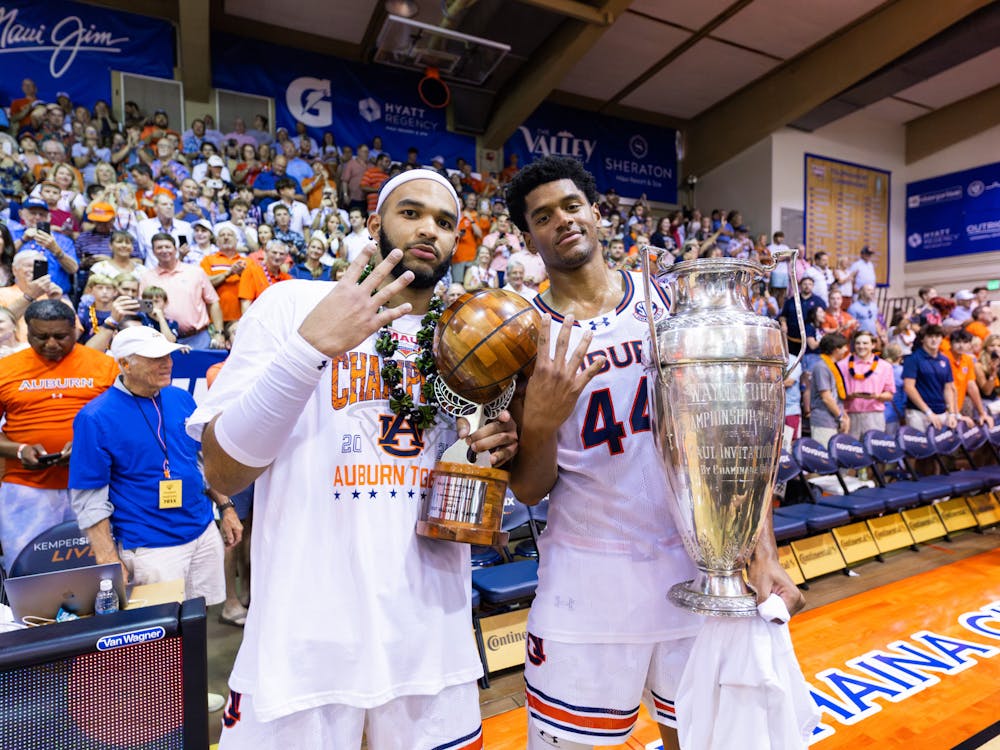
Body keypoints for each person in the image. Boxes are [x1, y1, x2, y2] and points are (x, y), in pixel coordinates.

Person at [188, 169, 517, 748]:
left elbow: (467, 486)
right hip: (306, 647)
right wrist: (309, 349)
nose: (429, 230)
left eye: (445, 222)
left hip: (430, 641)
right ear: (372, 224)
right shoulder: (294, 302)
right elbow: (222, 469)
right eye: (410, 213)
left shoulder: (467, 333)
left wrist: (496, 452)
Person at [503, 156, 802, 750]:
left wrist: (761, 552)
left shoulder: (673, 301)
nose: (561, 220)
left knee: (698, 739)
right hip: (586, 580)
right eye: (542, 216)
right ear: (528, 236)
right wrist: (538, 422)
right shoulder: (522, 332)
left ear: (595, 211)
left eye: (570, 205)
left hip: (691, 566)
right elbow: (529, 489)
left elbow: (735, 438)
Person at [69, 325, 241, 601]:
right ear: (124, 364)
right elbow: (89, 496)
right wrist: (108, 557)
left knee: (199, 620)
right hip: (151, 546)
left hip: (202, 530)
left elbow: (201, 458)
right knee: (162, 631)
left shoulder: (180, 397)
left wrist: (226, 506)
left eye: (168, 356)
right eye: (155, 358)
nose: (168, 364)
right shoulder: (96, 418)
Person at [0, 300, 119, 568]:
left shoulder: (104, 366)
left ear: (75, 331)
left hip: (93, 484)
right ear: (26, 332)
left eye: (60, 336)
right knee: (27, 570)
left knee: (98, 570)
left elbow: (123, 426)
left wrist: (87, 448)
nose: (51, 344)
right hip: (27, 486)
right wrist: (19, 450)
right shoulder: (6, 369)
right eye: (41, 337)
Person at [140, 233, 225, 350]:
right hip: (163, 341)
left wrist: (219, 333)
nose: (164, 250)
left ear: (175, 249)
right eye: (159, 247)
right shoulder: (146, 277)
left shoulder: (195, 272)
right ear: (153, 252)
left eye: (167, 247)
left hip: (198, 337)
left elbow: (213, 302)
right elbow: (145, 309)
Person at [837, 330, 895, 439]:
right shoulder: (842, 365)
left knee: (874, 451)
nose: (861, 346)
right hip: (849, 414)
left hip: (874, 415)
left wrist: (877, 396)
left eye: (865, 343)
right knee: (850, 450)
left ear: (873, 345)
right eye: (858, 343)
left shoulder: (885, 366)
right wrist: (849, 395)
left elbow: (890, 394)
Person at [902, 324, 959, 433]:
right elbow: (909, 387)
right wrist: (928, 412)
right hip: (918, 412)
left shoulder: (945, 360)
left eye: (937, 336)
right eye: (930, 336)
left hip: (941, 412)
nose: (934, 340)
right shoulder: (913, 359)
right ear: (923, 339)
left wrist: (952, 413)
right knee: (918, 448)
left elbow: (948, 388)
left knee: (942, 448)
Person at [809, 333, 851, 448]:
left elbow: (836, 396)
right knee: (825, 459)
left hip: (834, 420)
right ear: (835, 349)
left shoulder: (834, 366)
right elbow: (826, 398)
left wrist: (845, 416)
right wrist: (841, 417)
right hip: (824, 420)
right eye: (843, 347)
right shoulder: (821, 367)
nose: (846, 350)